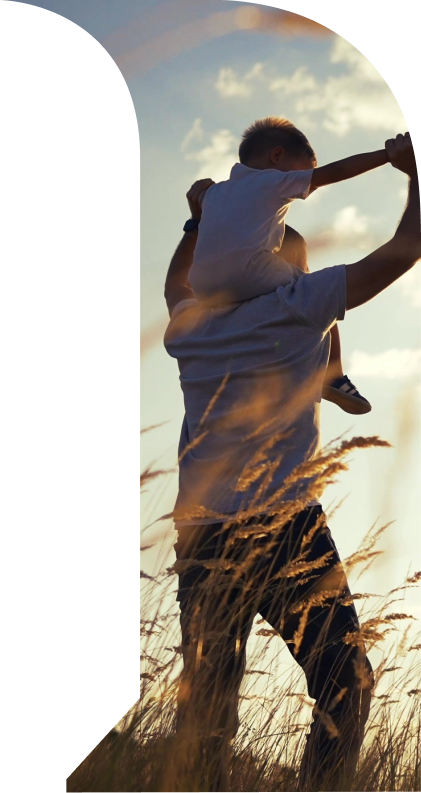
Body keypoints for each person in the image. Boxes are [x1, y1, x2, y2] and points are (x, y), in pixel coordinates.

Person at [163, 133, 419, 793]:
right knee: (346, 684)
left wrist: (197, 221)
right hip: (284, 528)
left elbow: (175, 281)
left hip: (200, 535)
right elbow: (405, 247)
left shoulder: (188, 325)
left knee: (206, 711)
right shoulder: (298, 305)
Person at [188, 117, 398, 415]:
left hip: (201, 288)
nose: (307, 186)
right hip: (248, 272)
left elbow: (205, 217)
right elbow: (336, 171)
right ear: (277, 156)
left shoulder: (213, 194)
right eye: (304, 172)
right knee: (317, 288)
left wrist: (195, 211)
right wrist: (388, 155)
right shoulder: (271, 181)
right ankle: (333, 376)